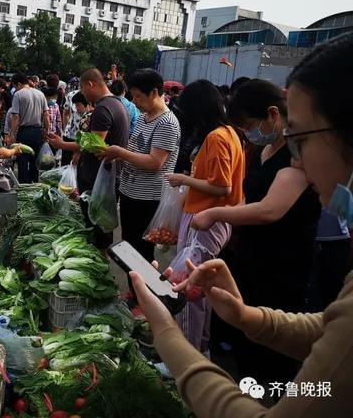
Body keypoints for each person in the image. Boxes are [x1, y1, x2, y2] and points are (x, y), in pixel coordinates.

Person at [129, 31, 353, 418]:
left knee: (266, 374)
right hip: (257, 265)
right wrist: (245, 315)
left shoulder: (233, 144)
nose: (296, 160)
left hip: (280, 266)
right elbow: (330, 331)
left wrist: (165, 331)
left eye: (299, 138)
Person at [191, 79, 321, 385]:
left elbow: (269, 210)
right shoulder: (263, 149)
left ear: (273, 115)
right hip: (251, 256)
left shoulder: (297, 156)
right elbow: (250, 199)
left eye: (249, 124)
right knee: (246, 332)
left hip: (282, 263)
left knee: (272, 341)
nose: (248, 132)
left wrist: (215, 213)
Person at [164, 80, 244, 352]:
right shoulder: (230, 133)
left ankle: (188, 353)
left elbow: (223, 187)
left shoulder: (217, 137)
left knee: (189, 289)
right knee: (201, 288)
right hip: (206, 217)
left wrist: (182, 179)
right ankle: (201, 346)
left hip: (206, 219)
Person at [100, 69, 181, 262]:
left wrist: (120, 152)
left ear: (153, 92)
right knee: (129, 247)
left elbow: (155, 162)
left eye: (137, 96)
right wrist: (116, 156)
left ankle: (141, 291)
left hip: (147, 199)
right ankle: (133, 290)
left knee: (141, 252)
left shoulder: (167, 123)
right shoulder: (144, 118)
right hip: (130, 193)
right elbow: (136, 151)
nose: (134, 101)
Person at [49, 68, 129, 249]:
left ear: (90, 84)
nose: (84, 95)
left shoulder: (102, 109)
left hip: (99, 179)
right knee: (102, 227)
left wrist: (62, 145)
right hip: (108, 177)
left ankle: (100, 264)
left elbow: (94, 145)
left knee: (97, 229)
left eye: (84, 90)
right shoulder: (118, 104)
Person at [8, 72, 51, 183]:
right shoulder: (40, 94)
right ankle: (34, 185)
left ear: (18, 84)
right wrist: (47, 131)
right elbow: (46, 115)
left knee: (22, 162)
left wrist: (12, 134)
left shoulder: (18, 94)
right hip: (38, 132)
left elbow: (15, 116)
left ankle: (23, 187)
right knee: (35, 162)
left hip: (24, 132)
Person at [61, 91, 89, 166]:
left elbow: (65, 113)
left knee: (74, 164)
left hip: (79, 136)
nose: (76, 108)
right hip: (73, 135)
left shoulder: (71, 94)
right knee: (69, 164)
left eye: (78, 105)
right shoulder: (71, 95)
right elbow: (66, 113)